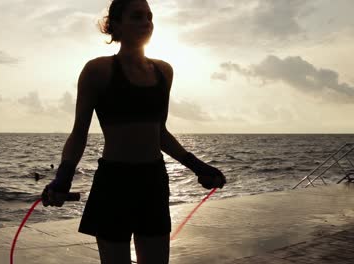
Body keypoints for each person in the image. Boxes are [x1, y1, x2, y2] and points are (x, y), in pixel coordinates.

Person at [42, 0, 226, 263]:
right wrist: (64, 176)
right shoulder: (97, 70)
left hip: (153, 181)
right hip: (113, 182)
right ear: (115, 24)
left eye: (149, 17)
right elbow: (79, 132)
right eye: (137, 17)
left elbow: (159, 132)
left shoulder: (164, 71)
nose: (146, 23)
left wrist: (198, 166)